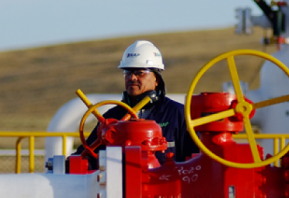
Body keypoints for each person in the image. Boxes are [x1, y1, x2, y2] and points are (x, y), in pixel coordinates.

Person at [74, 40, 198, 169]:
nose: (132, 77)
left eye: (140, 73)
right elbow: (88, 155)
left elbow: (195, 161)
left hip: (166, 186)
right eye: (127, 72)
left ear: (157, 79)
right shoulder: (111, 118)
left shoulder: (178, 115)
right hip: (119, 188)